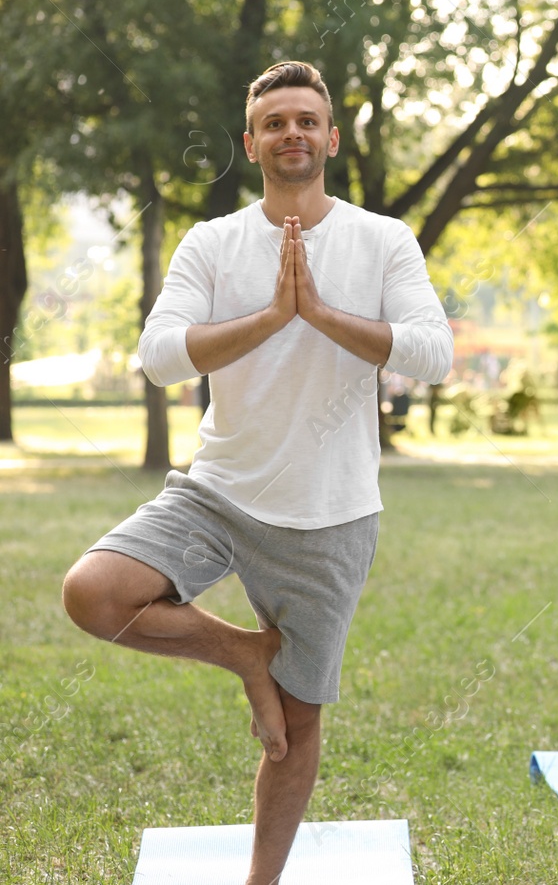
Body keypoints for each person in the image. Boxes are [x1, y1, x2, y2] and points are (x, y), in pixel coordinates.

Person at [60, 61, 454, 885]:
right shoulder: (215, 243)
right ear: (251, 142)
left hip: (331, 513)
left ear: (332, 137)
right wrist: (273, 317)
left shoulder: (383, 240)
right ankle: (248, 652)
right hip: (219, 490)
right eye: (275, 122)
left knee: (296, 726)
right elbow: (159, 357)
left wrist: (322, 315)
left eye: (307, 119)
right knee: (92, 592)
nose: (292, 133)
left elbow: (433, 352)